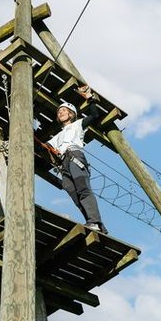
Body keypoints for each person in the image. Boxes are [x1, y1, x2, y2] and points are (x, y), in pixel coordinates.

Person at [47, 85, 108, 233]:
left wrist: (90, 99)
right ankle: (93, 223)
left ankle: (95, 222)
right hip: (63, 164)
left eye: (64, 111)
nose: (60, 112)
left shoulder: (77, 125)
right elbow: (48, 149)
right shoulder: (57, 137)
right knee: (73, 194)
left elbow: (94, 116)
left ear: (71, 114)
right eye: (59, 111)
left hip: (75, 156)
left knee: (83, 189)